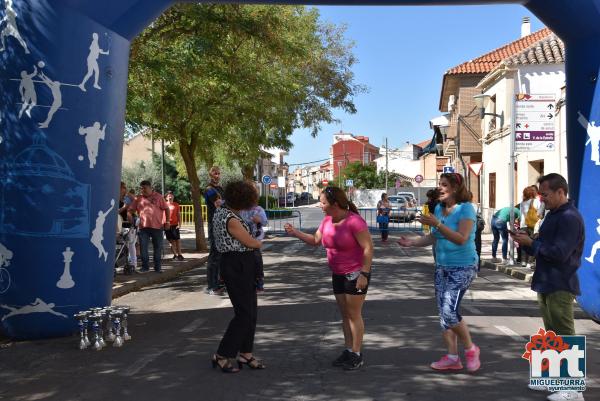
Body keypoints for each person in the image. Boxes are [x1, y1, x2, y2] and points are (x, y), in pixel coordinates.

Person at [511, 174, 585, 401]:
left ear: (561, 192)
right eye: (541, 194)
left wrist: (532, 243)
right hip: (547, 280)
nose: (541, 199)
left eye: (545, 194)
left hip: (560, 282)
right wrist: (528, 241)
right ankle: (553, 378)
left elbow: (559, 253)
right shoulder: (554, 215)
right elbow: (545, 249)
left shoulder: (569, 217)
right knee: (553, 333)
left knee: (565, 333)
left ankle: (574, 389)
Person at [398, 173, 481, 373]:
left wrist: (437, 224)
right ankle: (453, 357)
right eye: (439, 184)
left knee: (449, 312)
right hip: (442, 267)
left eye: (444, 185)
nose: (440, 188)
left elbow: (461, 238)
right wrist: (413, 243)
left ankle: (471, 349)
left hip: (462, 267)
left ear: (455, 188)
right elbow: (434, 238)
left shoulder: (465, 209)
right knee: (444, 315)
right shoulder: (439, 209)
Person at [284, 186, 373, 370]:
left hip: (355, 273)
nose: (320, 205)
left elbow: (368, 248)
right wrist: (295, 232)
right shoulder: (327, 221)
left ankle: (356, 354)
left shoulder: (354, 221)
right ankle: (348, 350)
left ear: (334, 204)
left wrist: (364, 273)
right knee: (345, 315)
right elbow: (315, 241)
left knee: (354, 315)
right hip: (338, 273)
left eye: (323, 202)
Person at [211, 180, 264, 374]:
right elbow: (251, 243)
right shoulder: (229, 217)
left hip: (242, 263)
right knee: (244, 314)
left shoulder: (227, 212)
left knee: (251, 311)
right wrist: (259, 240)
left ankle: (246, 353)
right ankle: (222, 354)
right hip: (237, 264)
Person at [128, 180, 170, 273]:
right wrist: (131, 219)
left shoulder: (158, 197)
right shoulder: (138, 198)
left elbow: (166, 209)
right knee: (143, 248)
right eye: (141, 188)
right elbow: (130, 210)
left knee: (158, 248)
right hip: (143, 228)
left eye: (145, 188)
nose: (143, 190)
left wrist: (167, 222)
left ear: (151, 188)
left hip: (158, 227)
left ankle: (157, 268)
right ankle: (145, 267)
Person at [204, 166, 225, 295]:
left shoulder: (220, 189)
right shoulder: (209, 189)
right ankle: (211, 286)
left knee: (221, 256)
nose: (217, 175)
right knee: (214, 255)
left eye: (218, 173)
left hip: (222, 223)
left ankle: (219, 282)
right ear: (210, 175)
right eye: (214, 173)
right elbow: (218, 203)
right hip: (214, 223)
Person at [240, 204, 268, 291]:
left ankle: (259, 279)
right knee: (244, 260)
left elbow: (265, 222)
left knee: (256, 258)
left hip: (255, 238)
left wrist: (259, 220)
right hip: (243, 238)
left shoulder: (259, 209)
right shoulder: (240, 209)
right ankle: (246, 280)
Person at [519, 185, 545, 269]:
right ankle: (529, 263)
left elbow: (521, 214)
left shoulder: (522, 203)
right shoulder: (536, 201)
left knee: (524, 243)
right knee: (532, 242)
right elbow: (539, 213)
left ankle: (523, 261)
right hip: (533, 225)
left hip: (523, 224)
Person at [165, 191, 184, 261]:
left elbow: (178, 215)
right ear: (166, 197)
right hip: (167, 225)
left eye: (171, 195)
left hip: (175, 224)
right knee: (171, 241)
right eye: (168, 196)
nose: (170, 197)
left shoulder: (176, 204)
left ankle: (180, 254)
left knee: (177, 240)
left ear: (173, 197)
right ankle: (175, 255)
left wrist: (180, 224)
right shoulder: (164, 205)